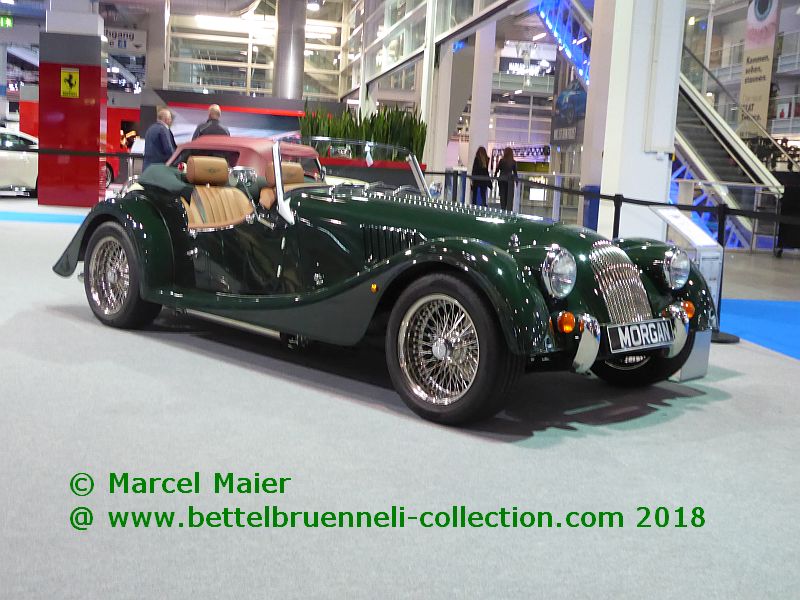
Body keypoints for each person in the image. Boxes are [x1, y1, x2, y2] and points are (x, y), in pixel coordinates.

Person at [495, 147, 518, 211]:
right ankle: (508, 211)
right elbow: (515, 173)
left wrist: (495, 176)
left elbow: (497, 170)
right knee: (509, 196)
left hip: (502, 179)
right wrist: (516, 181)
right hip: (509, 181)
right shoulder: (513, 162)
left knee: (502, 196)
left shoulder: (502, 161)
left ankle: (503, 209)